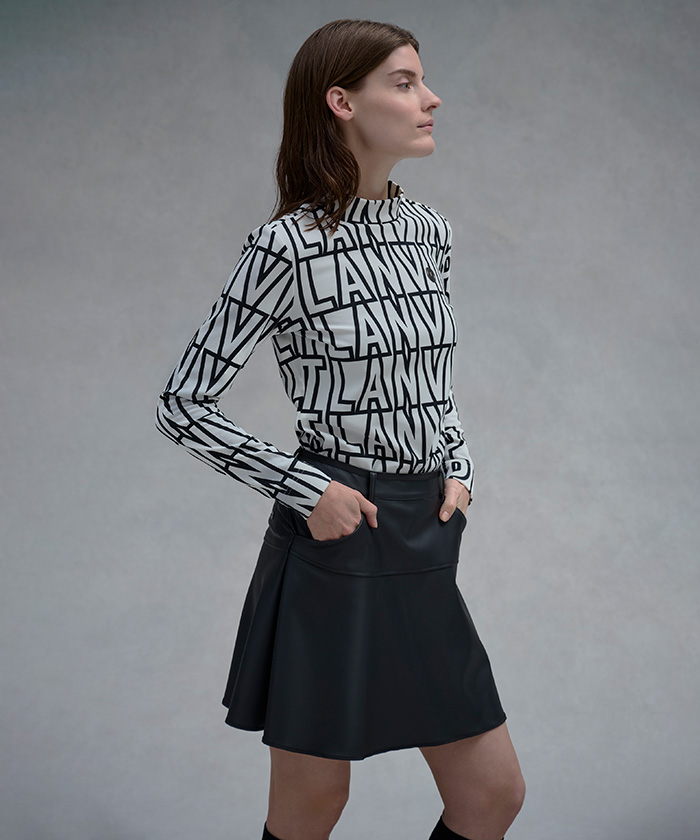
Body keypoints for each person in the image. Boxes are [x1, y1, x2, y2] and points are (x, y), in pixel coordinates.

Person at [156, 17, 525, 840]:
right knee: (315, 804)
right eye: (404, 82)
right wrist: (306, 488)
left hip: (425, 531)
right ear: (341, 102)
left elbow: (431, 379)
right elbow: (183, 402)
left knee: (492, 795)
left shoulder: (430, 232)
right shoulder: (283, 248)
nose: (431, 98)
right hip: (338, 532)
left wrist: (461, 468)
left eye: (422, 80)